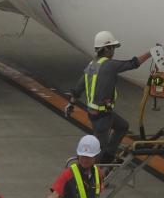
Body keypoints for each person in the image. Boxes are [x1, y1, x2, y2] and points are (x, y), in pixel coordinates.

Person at [63, 31, 151, 162]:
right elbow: (133, 63)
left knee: (122, 126)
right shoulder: (110, 65)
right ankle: (97, 169)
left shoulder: (93, 64)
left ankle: (109, 156)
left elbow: (79, 87)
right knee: (98, 150)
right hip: (102, 117)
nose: (113, 51)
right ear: (107, 48)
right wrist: (151, 53)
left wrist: (71, 103)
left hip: (97, 114)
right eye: (113, 47)